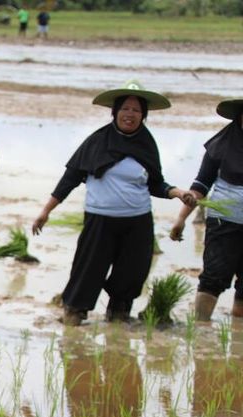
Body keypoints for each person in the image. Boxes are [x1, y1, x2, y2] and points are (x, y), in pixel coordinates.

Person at [32, 80, 194, 325]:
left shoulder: (147, 145)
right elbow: (70, 179)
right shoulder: (96, 142)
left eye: (136, 110)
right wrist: (46, 211)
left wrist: (177, 192)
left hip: (137, 221)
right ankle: (74, 313)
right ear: (115, 112)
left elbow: (156, 184)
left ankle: (118, 315)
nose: (130, 114)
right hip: (100, 219)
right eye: (125, 109)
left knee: (132, 272)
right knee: (88, 269)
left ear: (144, 115)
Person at [170, 98, 243, 321]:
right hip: (223, 222)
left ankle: (238, 331)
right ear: (239, 117)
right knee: (213, 276)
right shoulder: (220, 146)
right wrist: (181, 219)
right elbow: (201, 185)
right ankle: (200, 328)